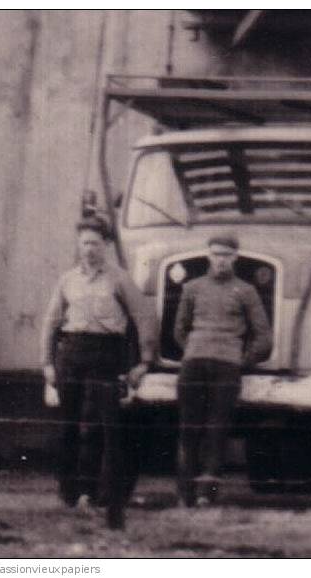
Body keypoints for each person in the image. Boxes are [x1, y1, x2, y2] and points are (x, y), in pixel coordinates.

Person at [41, 216, 154, 529]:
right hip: (71, 354)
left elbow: (143, 317)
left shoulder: (119, 280)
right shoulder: (67, 280)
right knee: (68, 425)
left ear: (105, 245)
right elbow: (51, 323)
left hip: (106, 354)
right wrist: (47, 363)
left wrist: (144, 361)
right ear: (78, 246)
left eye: (94, 243)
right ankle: (69, 492)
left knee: (96, 427)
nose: (88, 249)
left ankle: (95, 494)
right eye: (84, 243)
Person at [174, 234, 272, 506]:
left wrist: (241, 361)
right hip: (193, 365)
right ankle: (184, 495)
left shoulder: (246, 291)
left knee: (217, 431)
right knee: (188, 428)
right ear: (208, 256)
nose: (221, 261)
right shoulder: (192, 288)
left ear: (235, 258)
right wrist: (195, 349)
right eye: (216, 255)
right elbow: (179, 330)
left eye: (227, 255)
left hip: (228, 367)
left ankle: (208, 496)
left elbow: (264, 337)